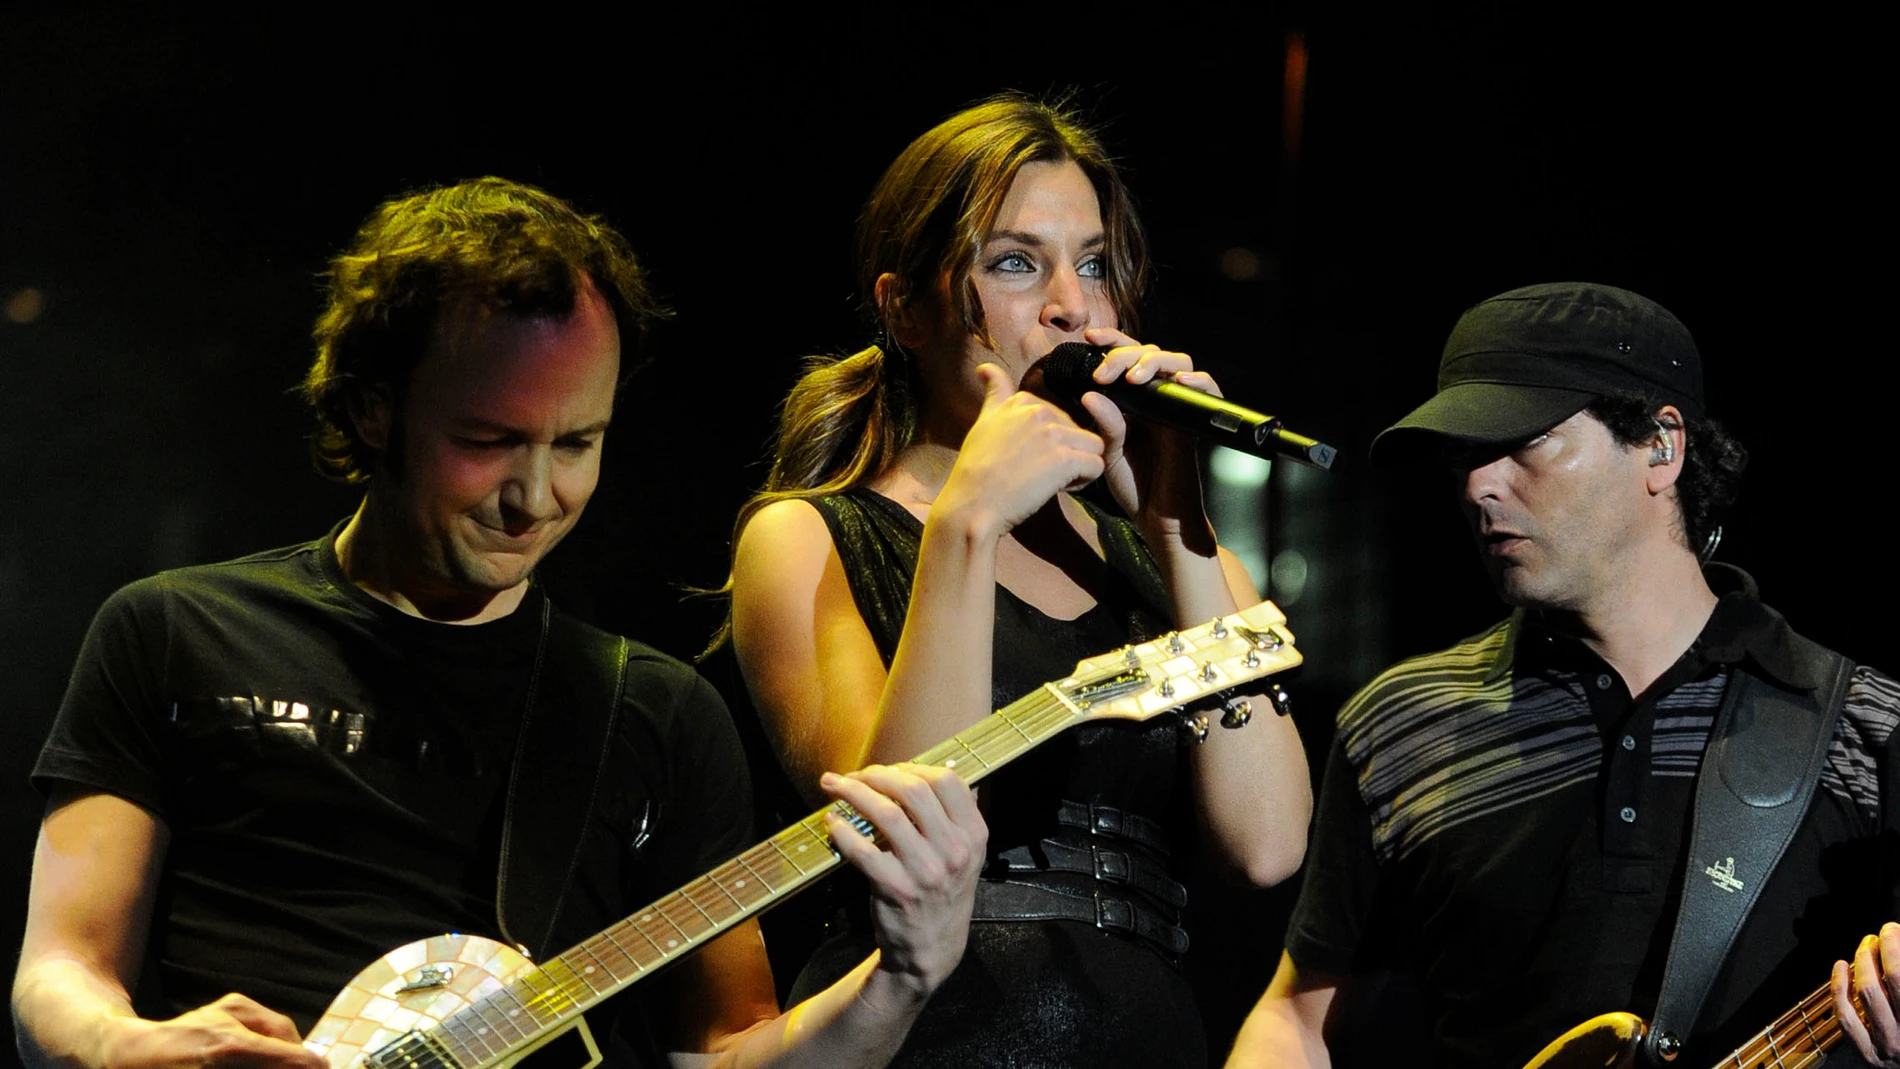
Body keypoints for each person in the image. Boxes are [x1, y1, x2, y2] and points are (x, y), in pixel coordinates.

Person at [12, 177, 986, 1069]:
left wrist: (899, 978)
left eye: (577, 444)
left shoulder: (652, 714)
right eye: (488, 441)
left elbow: (729, 1053)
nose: (535, 495)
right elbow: (58, 969)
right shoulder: (172, 629)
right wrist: (123, 1043)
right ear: (369, 410)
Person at [720, 95, 1312, 1068]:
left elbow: (1267, 843)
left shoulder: (1174, 557)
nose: (1069, 306)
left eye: (1091, 264)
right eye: (1013, 263)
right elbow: (901, 834)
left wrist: (1174, 528)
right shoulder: (810, 538)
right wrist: (966, 524)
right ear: (903, 306)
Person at [1225, 282, 1900, 1069]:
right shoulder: (1403, 722)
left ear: (1660, 445)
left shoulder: (1864, 726)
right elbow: (1299, 1020)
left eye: (1524, 442)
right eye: (1465, 457)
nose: (1480, 486)